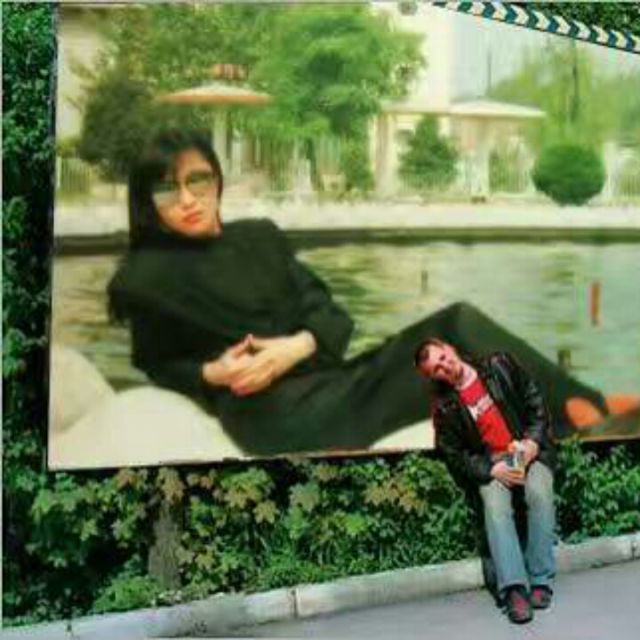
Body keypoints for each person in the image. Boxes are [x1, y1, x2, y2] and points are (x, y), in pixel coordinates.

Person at [107, 128, 629, 457]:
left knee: (453, 325)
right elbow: (156, 362)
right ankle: (585, 409)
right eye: (167, 188)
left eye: (197, 181)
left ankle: (576, 409)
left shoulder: (260, 236)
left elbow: (329, 313)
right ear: (148, 200)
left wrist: (295, 346)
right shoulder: (150, 274)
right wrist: (214, 373)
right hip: (272, 415)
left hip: (335, 382)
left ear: (217, 182)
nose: (187, 199)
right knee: (454, 334)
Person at [414, 337, 556, 624]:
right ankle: (514, 589)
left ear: (449, 348)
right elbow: (454, 455)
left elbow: (536, 403)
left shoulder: (500, 365)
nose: (444, 367)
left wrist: (532, 442)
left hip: (526, 449)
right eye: (436, 370)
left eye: (442, 358)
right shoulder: (445, 407)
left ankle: (541, 580)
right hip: (494, 464)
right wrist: (490, 470)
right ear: (434, 377)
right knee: (495, 507)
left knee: (540, 493)